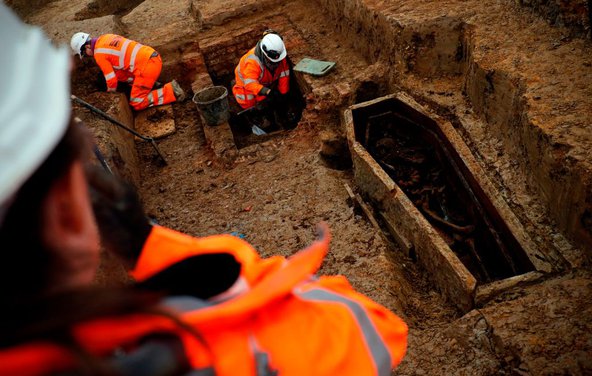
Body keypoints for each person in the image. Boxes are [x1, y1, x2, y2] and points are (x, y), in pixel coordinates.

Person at [0, 6, 408, 374]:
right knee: (251, 106)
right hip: (248, 102)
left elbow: (283, 80)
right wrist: (162, 251)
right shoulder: (248, 69)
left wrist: (149, 247)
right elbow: (369, 330)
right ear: (69, 215)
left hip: (253, 100)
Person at [70, 32, 186, 111]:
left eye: (85, 54)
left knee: (136, 102)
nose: (87, 56)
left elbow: (111, 80)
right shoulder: (106, 37)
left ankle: (171, 91)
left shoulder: (99, 54)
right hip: (151, 56)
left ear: (87, 47)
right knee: (119, 74)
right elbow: (118, 72)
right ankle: (151, 85)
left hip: (146, 68)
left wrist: (110, 95)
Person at [232, 30, 291, 130]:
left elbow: (284, 74)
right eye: (273, 61)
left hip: (263, 81)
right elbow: (250, 84)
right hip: (245, 85)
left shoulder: (280, 55)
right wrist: (267, 91)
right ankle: (256, 117)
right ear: (265, 53)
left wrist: (284, 94)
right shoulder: (252, 62)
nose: (276, 63)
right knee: (249, 103)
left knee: (264, 100)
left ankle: (267, 111)